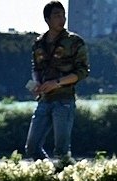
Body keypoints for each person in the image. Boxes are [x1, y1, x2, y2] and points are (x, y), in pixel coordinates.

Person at [24, 1, 89, 164]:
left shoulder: (74, 41)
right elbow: (36, 68)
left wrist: (57, 82)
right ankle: (51, 174)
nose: (62, 19)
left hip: (64, 100)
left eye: (63, 15)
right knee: (31, 147)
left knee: (61, 150)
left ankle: (68, 179)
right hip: (44, 99)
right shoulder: (39, 43)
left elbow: (82, 72)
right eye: (57, 16)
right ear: (47, 19)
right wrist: (37, 84)